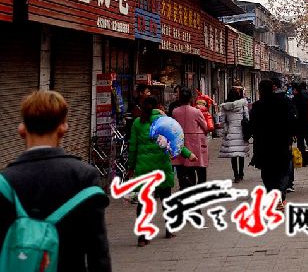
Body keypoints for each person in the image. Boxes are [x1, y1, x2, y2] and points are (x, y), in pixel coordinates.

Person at [0, 89, 112, 271]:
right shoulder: (84, 177)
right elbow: (98, 252)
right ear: (63, 127)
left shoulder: (5, 182)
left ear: (22, 129)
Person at [128, 95, 196, 246]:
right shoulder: (164, 121)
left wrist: (131, 167)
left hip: (143, 168)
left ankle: (142, 237)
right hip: (162, 168)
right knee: (166, 199)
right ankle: (169, 229)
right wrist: (188, 154)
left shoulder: (137, 123)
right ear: (158, 106)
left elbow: (132, 147)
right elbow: (175, 142)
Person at [247, 79, 296, 208]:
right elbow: (291, 121)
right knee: (283, 170)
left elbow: (252, 126)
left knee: (267, 172)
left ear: (260, 91)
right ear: (273, 88)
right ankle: (279, 194)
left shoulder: (257, 106)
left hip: (263, 144)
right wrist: (291, 137)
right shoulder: (284, 102)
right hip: (281, 142)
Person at [172, 87, 209, 189]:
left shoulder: (175, 112)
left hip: (181, 142)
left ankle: (186, 188)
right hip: (196, 143)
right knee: (200, 168)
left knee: (184, 169)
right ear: (191, 98)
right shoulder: (196, 112)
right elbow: (205, 127)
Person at [218, 87, 249, 183]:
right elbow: (247, 119)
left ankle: (236, 175)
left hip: (231, 133)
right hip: (242, 132)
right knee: (241, 154)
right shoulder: (243, 106)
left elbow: (223, 121)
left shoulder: (225, 107)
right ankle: (241, 173)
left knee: (233, 155)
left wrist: (226, 129)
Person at [272, 76, 297, 191]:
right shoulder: (287, 99)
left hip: (272, 136)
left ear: (274, 86)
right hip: (286, 136)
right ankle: (288, 183)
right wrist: (293, 133)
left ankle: (279, 184)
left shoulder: (267, 101)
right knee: (287, 158)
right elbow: (292, 117)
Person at [292, 81, 308, 166]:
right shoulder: (306, 97)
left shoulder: (294, 99)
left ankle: (303, 161)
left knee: (300, 142)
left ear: (295, 90)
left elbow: (294, 113)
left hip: (299, 124)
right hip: (307, 123)